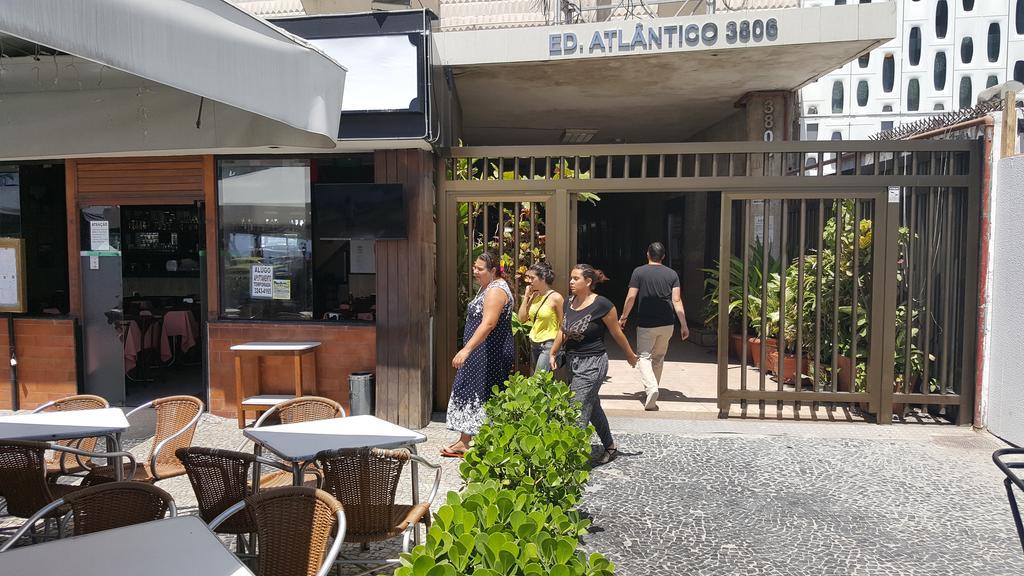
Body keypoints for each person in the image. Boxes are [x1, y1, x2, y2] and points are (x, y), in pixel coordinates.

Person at [550, 264, 637, 465]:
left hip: (593, 363)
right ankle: (610, 446)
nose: (571, 282)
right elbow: (564, 329)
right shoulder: (568, 303)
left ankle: (570, 461)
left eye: (575, 279)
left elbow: (616, 332)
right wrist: (554, 352)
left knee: (577, 408)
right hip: (573, 362)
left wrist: (630, 355)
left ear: (588, 282)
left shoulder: (603, 305)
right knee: (593, 406)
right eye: (571, 278)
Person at [443, 252, 514, 457]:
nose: (475, 271)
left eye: (480, 269)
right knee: (473, 391)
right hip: (480, 351)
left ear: (493, 271)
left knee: (486, 394)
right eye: (474, 267)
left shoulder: (496, 290)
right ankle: (464, 441)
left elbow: (489, 323)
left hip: (489, 352)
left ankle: (490, 444)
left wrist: (466, 349)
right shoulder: (488, 287)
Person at [619, 242, 690, 411]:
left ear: (647, 254)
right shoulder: (672, 274)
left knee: (644, 356)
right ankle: (653, 388)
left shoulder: (639, 272)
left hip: (646, 323)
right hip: (667, 323)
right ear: (663, 256)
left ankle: (651, 389)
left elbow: (631, 297)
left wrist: (623, 317)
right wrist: (684, 324)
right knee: (658, 357)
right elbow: (677, 300)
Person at [517, 262, 564, 375]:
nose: (529, 281)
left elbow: (563, 324)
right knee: (539, 380)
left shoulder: (556, 298)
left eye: (532, 278)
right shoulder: (535, 296)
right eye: (528, 278)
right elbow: (521, 318)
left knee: (538, 380)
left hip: (549, 343)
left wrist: (557, 348)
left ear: (543, 278)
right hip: (534, 342)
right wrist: (527, 296)